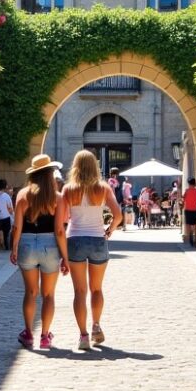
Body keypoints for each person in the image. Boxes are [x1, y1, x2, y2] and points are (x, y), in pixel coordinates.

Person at [63, 150, 122, 351]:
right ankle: (96, 325)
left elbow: (63, 218)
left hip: (75, 239)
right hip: (97, 238)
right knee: (97, 289)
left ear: (76, 166)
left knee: (79, 291)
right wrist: (110, 230)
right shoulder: (103, 187)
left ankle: (83, 335)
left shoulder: (69, 189)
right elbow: (118, 215)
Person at [9, 154, 70, 349]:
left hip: (26, 243)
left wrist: (14, 248)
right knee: (49, 295)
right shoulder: (57, 197)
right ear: (50, 174)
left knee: (30, 292)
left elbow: (16, 227)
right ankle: (45, 336)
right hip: (49, 244)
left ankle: (28, 333)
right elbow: (60, 230)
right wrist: (66, 258)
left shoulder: (22, 195)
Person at [183, 177, 196, 247]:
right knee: (195, 224)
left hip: (188, 209)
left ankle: (190, 237)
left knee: (188, 224)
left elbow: (183, 199)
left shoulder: (186, 191)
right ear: (195, 183)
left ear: (188, 183)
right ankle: (195, 238)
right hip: (195, 210)